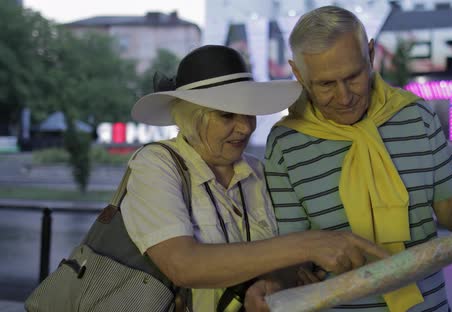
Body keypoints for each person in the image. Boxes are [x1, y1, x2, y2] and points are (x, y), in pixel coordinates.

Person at [253, 6, 452, 312]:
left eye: (353, 77)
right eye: (326, 84)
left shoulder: (416, 116)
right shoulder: (286, 143)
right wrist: (286, 278)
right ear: (298, 74)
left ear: (370, 55)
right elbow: (291, 246)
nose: (344, 97)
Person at [126, 45, 391, 311]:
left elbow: (283, 267)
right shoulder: (156, 164)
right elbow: (182, 265)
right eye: (227, 115)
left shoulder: (261, 173)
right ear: (190, 117)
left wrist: (278, 281)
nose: (245, 127)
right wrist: (309, 245)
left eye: (248, 113)